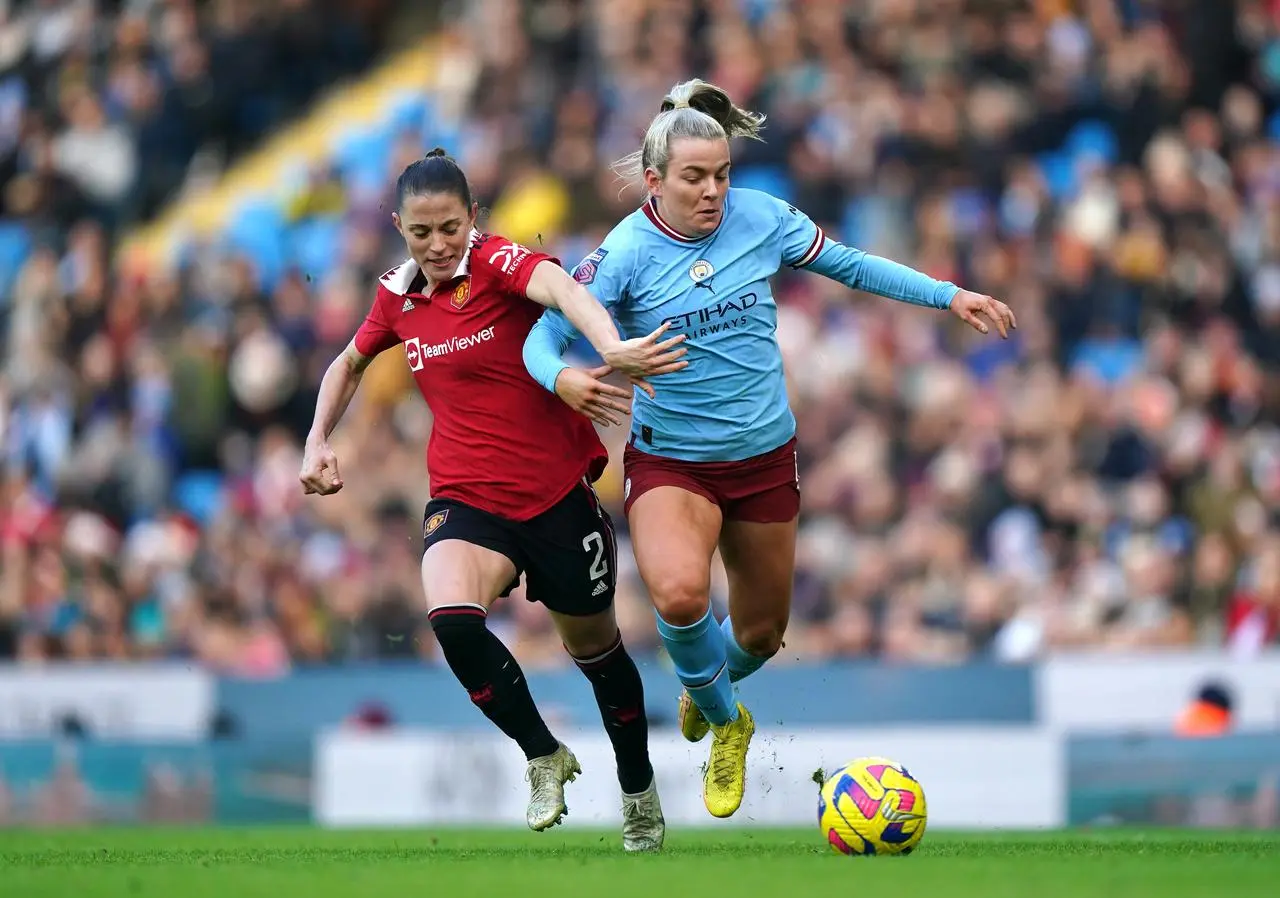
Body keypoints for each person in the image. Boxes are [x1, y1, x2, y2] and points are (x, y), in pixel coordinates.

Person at [523, 80, 1017, 819]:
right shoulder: (621, 254)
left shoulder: (764, 219)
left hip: (762, 460)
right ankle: (729, 722)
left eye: (722, 174)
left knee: (760, 632)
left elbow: (850, 264)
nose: (713, 190)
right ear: (655, 181)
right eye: (695, 177)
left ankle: (708, 685)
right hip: (672, 461)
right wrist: (567, 380)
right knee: (682, 596)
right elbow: (544, 335)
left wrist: (949, 296)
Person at [299, 148, 687, 852]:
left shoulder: (501, 263)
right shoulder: (398, 295)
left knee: (598, 656)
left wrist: (611, 345)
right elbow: (349, 362)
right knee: (450, 617)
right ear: (399, 227)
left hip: (554, 498)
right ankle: (544, 754)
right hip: (466, 499)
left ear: (472, 217)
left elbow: (566, 291)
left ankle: (638, 790)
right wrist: (316, 438)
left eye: (450, 227)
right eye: (421, 233)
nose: (438, 245)